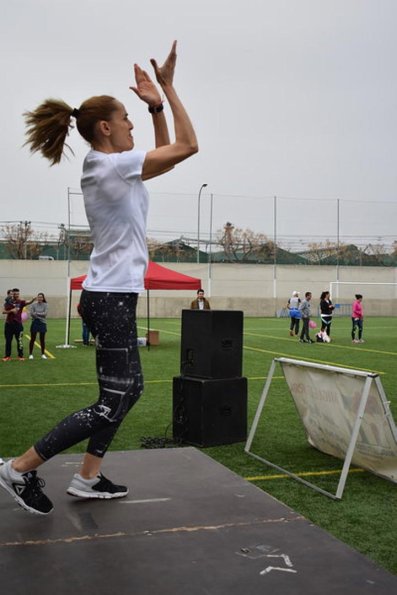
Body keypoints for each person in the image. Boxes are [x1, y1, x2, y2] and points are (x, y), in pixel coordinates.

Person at [0, 41, 198, 515]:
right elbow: (187, 148)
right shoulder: (108, 165)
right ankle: (19, 468)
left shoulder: (112, 168)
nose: (132, 125)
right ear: (106, 127)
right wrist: (169, 90)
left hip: (111, 295)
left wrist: (153, 107)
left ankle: (88, 476)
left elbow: (167, 157)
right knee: (114, 399)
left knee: (128, 390)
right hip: (108, 296)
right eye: (127, 117)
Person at [2, 288, 35, 361]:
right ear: (12, 294)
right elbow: (3, 311)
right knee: (8, 341)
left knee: (19, 340)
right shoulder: (8, 302)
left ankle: (20, 356)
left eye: (17, 294)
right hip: (9, 324)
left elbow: (28, 302)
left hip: (18, 325)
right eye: (15, 294)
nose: (16, 295)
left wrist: (32, 300)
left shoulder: (21, 302)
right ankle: (7, 356)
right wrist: (11, 310)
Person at [28, 293, 48, 359]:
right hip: (35, 322)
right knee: (32, 339)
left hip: (42, 323)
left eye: (41, 297)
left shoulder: (45, 305)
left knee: (42, 339)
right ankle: (30, 354)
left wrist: (37, 313)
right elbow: (32, 313)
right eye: (39, 297)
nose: (40, 298)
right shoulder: (33, 304)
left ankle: (43, 354)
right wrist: (39, 315)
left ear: (43, 298)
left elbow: (45, 314)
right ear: (37, 298)